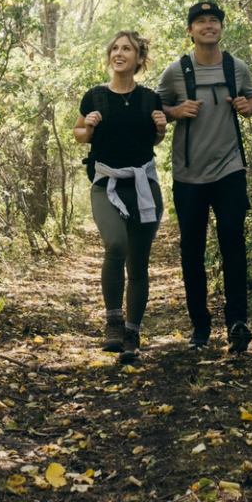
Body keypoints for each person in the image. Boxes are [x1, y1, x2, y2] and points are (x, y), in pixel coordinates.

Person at [158, 0, 252, 354]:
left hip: (230, 169)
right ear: (190, 30)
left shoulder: (236, 67)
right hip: (189, 176)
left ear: (220, 27)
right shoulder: (176, 71)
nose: (208, 26)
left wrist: (251, 105)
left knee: (233, 241)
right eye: (201, 21)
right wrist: (175, 110)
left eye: (214, 20)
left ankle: (237, 322)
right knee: (192, 250)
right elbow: (155, 111)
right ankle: (200, 327)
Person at [73, 30, 168, 362]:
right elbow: (79, 134)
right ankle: (113, 322)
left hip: (143, 185)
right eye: (115, 48)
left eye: (127, 49)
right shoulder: (95, 97)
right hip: (105, 184)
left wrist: (160, 128)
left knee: (138, 262)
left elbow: (153, 141)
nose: (119, 53)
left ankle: (132, 333)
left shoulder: (149, 98)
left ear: (139, 59)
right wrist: (89, 126)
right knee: (116, 245)